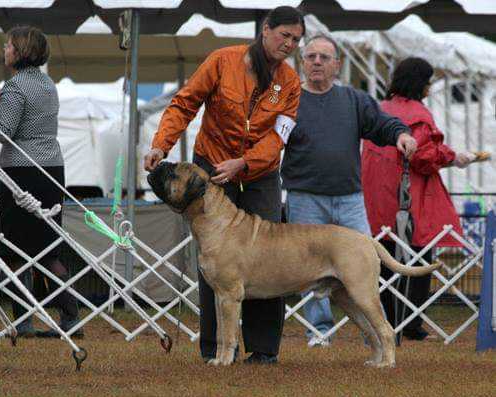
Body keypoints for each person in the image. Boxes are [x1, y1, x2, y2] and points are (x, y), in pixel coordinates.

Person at [144, 6, 305, 364]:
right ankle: (216, 349)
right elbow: (184, 104)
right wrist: (160, 144)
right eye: (285, 35)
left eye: (296, 39)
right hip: (211, 169)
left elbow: (281, 136)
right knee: (215, 259)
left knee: (270, 256)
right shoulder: (222, 61)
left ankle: (263, 350)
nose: (290, 44)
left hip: (259, 173)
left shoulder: (291, 82)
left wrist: (245, 163)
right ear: (266, 29)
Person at [281, 35, 417, 347]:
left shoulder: (354, 100)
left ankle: (377, 336)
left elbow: (384, 124)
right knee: (309, 270)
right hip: (304, 198)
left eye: (324, 57)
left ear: (337, 65)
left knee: (365, 267)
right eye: (311, 56)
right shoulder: (289, 103)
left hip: (350, 199)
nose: (317, 62)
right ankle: (319, 334)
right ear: (302, 63)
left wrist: (401, 135)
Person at [362, 57, 465, 340]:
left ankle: (383, 322)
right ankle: (410, 324)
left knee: (382, 263)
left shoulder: (379, 107)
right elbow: (422, 156)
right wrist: (452, 156)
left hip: (374, 198)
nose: (431, 87)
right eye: (429, 81)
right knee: (419, 257)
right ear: (421, 83)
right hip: (408, 198)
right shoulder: (418, 113)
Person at [0, 26, 82, 338]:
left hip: (22, 171)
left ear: (20, 51)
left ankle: (23, 320)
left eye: (8, 46)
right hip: (52, 168)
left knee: (16, 248)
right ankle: (71, 315)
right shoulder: (48, 84)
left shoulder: (15, 86)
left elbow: (3, 131)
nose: (4, 51)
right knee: (48, 248)